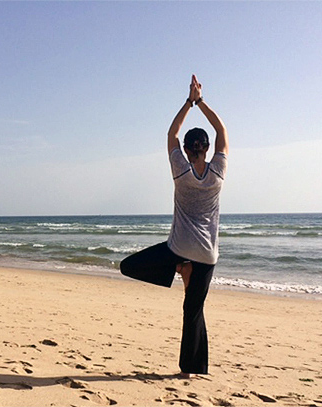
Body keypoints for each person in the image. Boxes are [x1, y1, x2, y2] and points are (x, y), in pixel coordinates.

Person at [120, 74, 228, 378]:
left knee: (128, 266)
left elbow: (171, 133)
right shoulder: (218, 171)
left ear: (187, 149)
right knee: (193, 311)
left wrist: (187, 102)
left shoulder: (180, 170)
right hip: (207, 254)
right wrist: (201, 101)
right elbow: (221, 129)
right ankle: (193, 370)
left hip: (178, 249)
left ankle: (180, 268)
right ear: (206, 149)